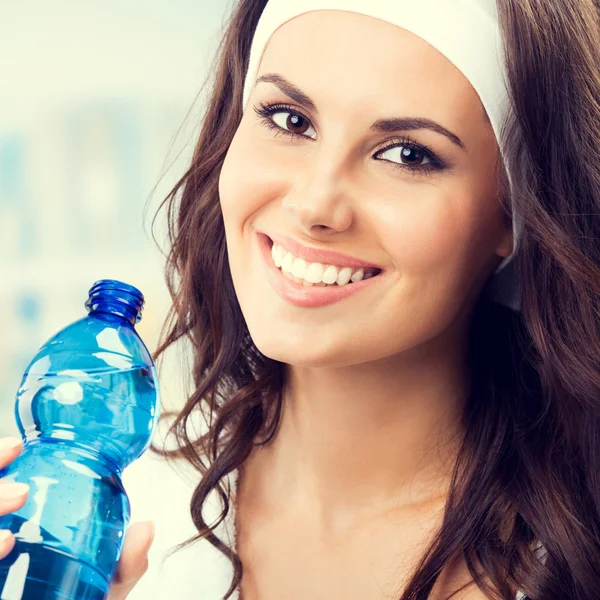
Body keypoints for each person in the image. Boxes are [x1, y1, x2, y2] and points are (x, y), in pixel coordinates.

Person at [2, 0, 600, 598]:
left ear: (515, 213)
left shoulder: (571, 561)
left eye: (407, 154)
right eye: (290, 120)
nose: (315, 205)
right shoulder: (119, 514)